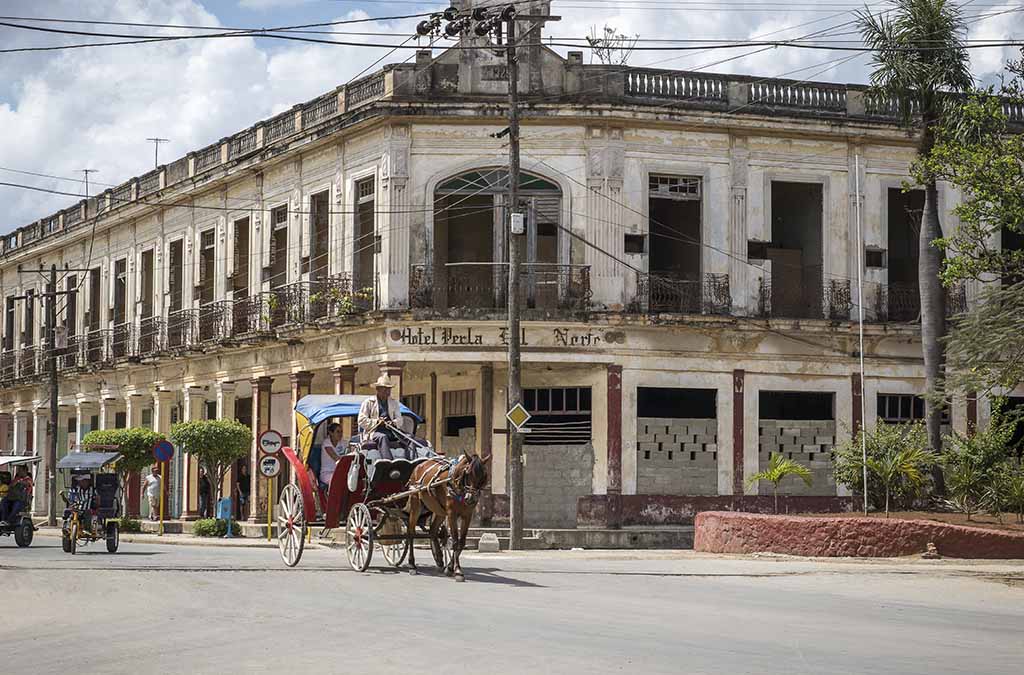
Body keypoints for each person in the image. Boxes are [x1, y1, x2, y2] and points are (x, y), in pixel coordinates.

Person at [357, 374, 404, 460]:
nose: (388, 392)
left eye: (389, 389)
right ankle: (388, 461)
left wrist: (393, 422)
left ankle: (412, 461)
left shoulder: (394, 403)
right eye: (385, 389)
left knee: (409, 437)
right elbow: (361, 420)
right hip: (375, 432)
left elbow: (400, 420)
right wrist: (376, 422)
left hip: (392, 431)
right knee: (382, 437)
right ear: (378, 389)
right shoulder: (368, 402)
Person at [319, 422, 344, 491]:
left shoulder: (343, 443)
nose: (340, 434)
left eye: (341, 432)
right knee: (338, 480)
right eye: (338, 432)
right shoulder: (326, 443)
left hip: (339, 472)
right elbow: (335, 457)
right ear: (331, 433)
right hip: (327, 473)